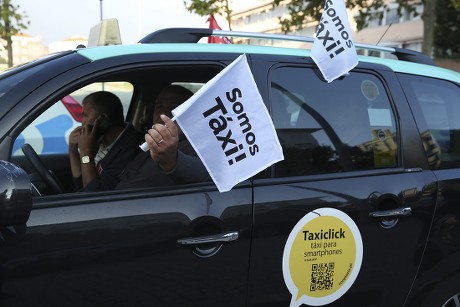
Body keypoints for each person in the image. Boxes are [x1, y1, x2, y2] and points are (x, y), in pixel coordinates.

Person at [115, 85, 210, 189]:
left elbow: (202, 173)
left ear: (190, 114)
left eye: (174, 107)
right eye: (159, 107)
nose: (162, 114)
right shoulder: (148, 143)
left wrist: (171, 161)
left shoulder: (197, 147)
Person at [69, 91, 144, 192]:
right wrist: (72, 150)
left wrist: (85, 153)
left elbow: (94, 195)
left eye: (85, 115)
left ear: (103, 119)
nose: (83, 122)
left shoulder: (130, 148)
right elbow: (81, 186)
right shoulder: (99, 142)